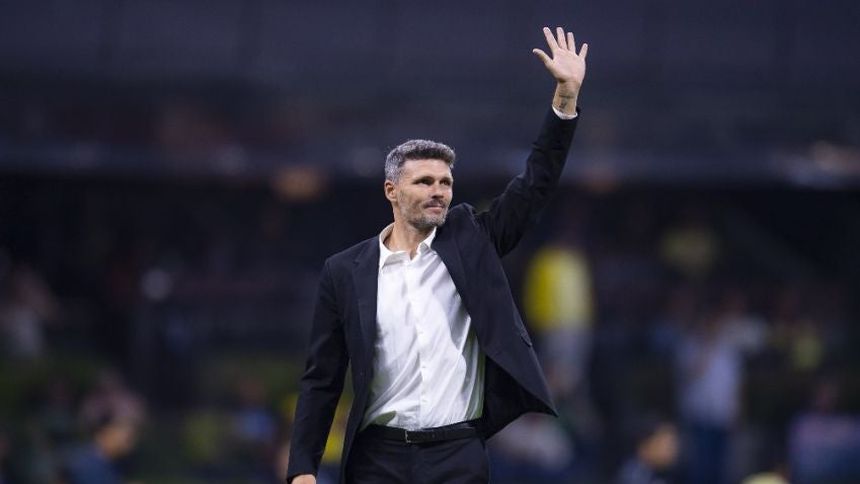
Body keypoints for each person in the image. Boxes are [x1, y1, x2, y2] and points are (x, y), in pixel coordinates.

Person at [287, 26, 588, 484]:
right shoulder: (345, 271)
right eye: (424, 182)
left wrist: (565, 100)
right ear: (391, 190)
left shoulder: (472, 240)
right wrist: (302, 469)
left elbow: (534, 186)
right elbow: (321, 378)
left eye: (445, 182)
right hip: (378, 458)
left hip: (457, 454)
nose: (439, 191)